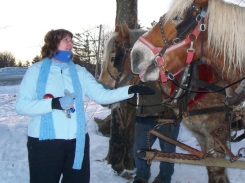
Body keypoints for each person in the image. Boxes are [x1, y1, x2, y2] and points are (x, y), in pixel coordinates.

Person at [15, 29, 155, 183]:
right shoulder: (36, 71)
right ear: (53, 43)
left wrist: (130, 90)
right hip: (44, 144)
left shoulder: (79, 71)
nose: (70, 43)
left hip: (77, 142)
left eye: (71, 40)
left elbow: (101, 95)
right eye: (65, 40)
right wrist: (53, 103)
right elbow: (21, 106)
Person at [133, 81, 180, 183]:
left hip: (167, 117)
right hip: (143, 115)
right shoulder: (137, 68)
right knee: (139, 149)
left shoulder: (166, 66)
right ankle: (142, 175)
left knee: (168, 152)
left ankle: (164, 178)